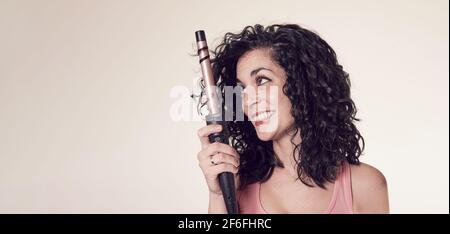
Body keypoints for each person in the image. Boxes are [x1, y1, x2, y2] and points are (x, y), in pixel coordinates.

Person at [196, 24, 389, 214]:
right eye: (241, 89)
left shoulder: (364, 186)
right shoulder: (238, 184)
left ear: (303, 84)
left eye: (262, 80)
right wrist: (219, 196)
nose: (248, 100)